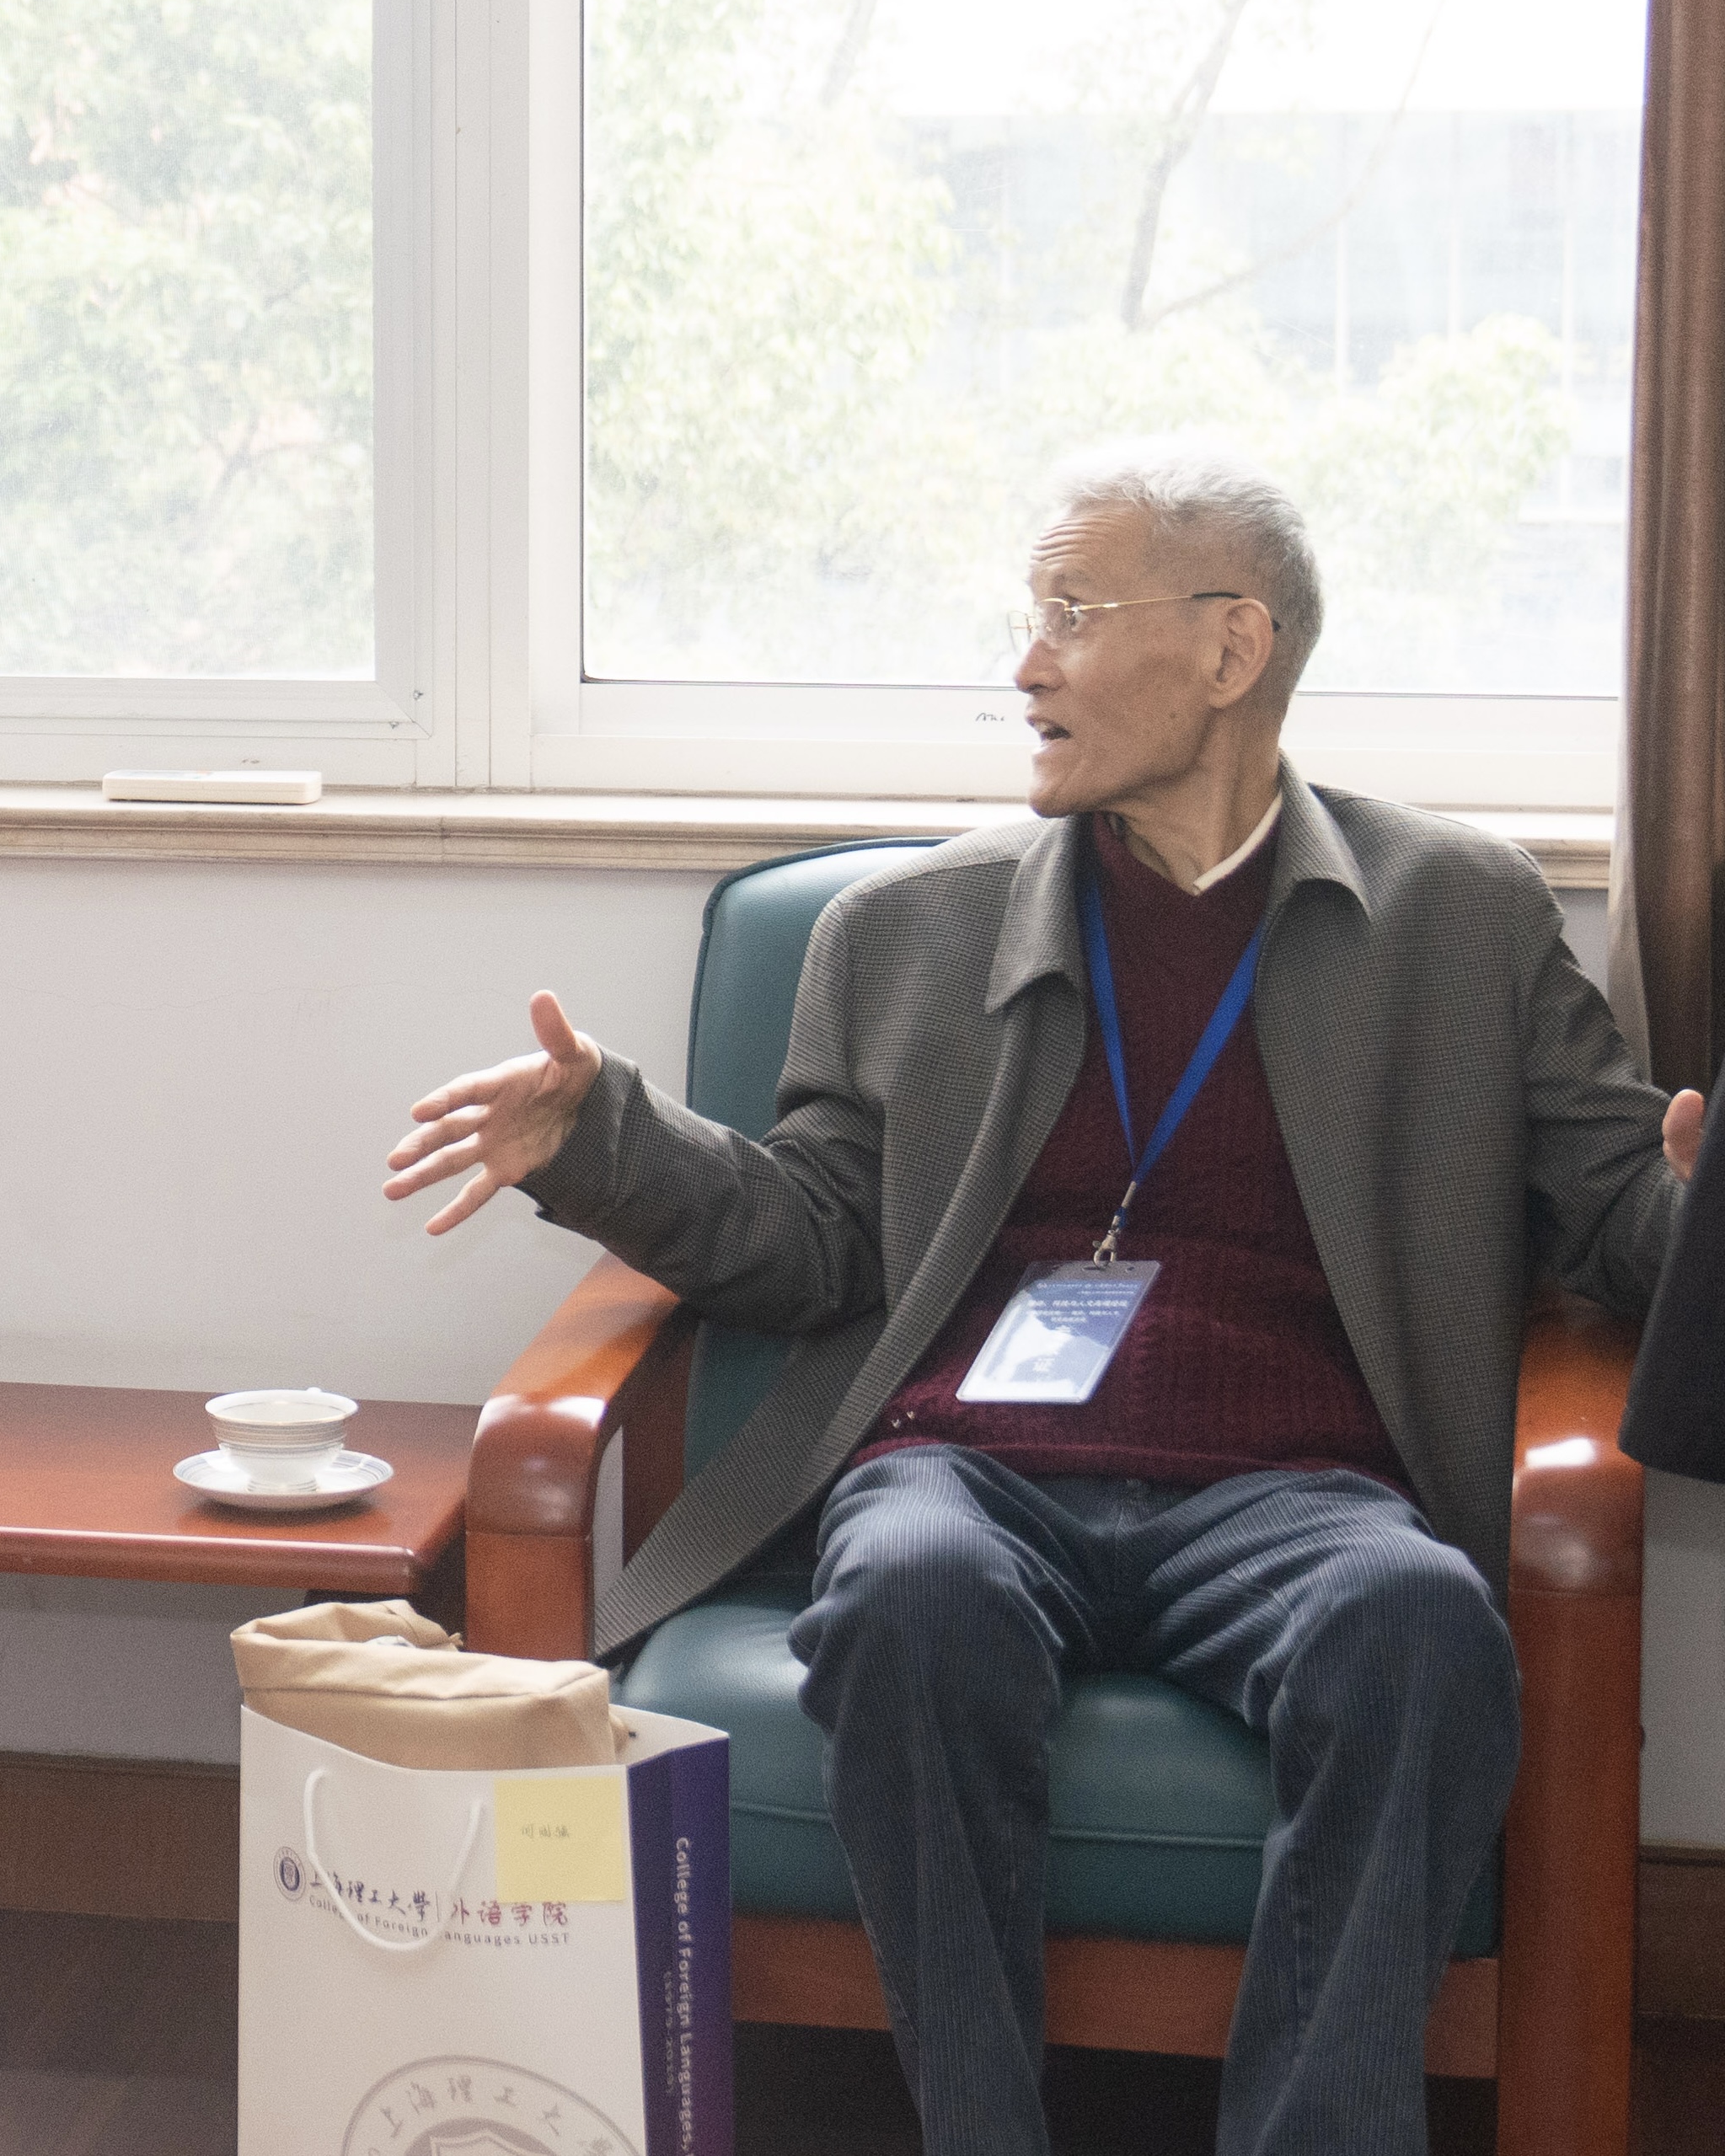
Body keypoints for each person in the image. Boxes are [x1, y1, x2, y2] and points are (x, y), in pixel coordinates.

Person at [383, 442, 1695, 2156]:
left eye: (1073, 614)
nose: (1025, 665)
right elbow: (814, 1239)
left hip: (1302, 1492)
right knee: (907, 1588)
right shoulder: (905, 928)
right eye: (1031, 617)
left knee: (1418, 1626)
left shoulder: (1458, 915)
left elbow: (1616, 1216)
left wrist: (1694, 1198)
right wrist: (603, 1142)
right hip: (970, 1468)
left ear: (1230, 648)